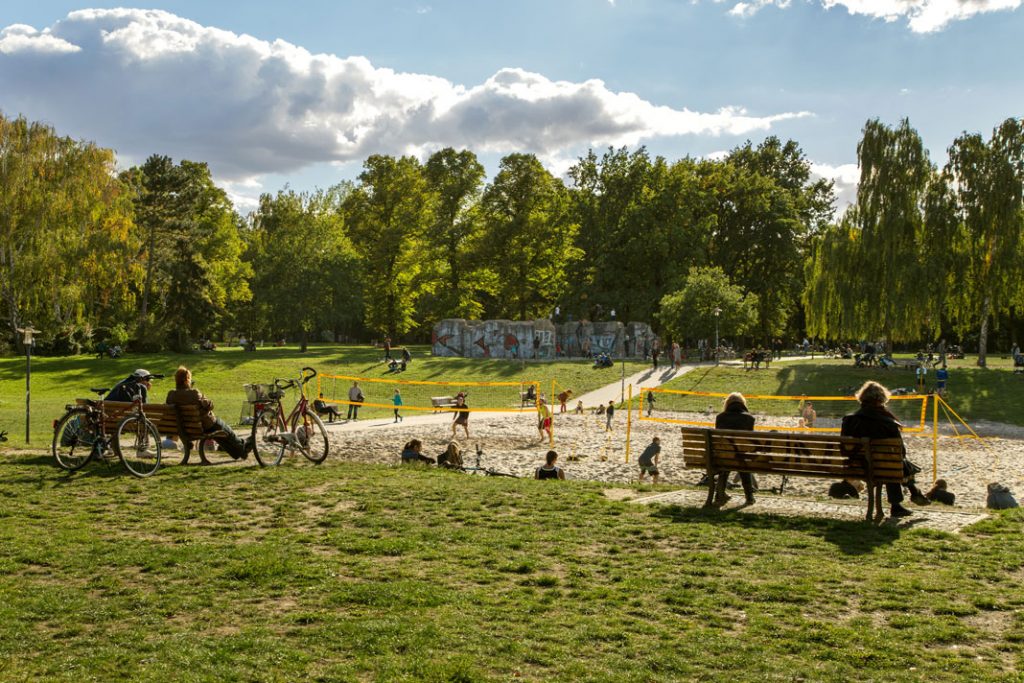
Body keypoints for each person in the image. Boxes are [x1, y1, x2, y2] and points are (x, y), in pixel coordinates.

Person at [840, 380, 930, 518]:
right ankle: (900, 502)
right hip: (885, 467)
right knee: (892, 463)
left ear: (862, 398)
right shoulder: (887, 422)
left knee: (890, 462)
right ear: (882, 399)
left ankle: (913, 494)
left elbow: (843, 448)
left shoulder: (849, 420)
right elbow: (901, 452)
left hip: (857, 465)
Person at [165, 366, 252, 460]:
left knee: (222, 434)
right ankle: (243, 448)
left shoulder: (171, 395)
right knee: (226, 431)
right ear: (186, 381)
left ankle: (240, 451)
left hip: (186, 428)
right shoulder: (194, 393)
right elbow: (210, 405)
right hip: (205, 426)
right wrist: (204, 398)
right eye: (190, 379)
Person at [712, 393, 756, 506]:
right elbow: (748, 443)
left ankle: (719, 495)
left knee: (726, 459)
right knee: (742, 461)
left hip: (723, 457)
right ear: (743, 404)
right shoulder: (749, 418)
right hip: (741, 458)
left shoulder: (720, 417)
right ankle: (749, 497)